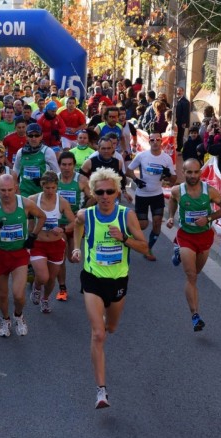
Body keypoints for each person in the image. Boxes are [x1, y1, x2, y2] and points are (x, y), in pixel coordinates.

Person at [71, 167, 148, 408]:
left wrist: (123, 238)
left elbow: (145, 248)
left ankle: (104, 323)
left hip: (118, 280)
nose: (105, 196)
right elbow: (76, 226)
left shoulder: (127, 216)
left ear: (117, 192)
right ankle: (101, 391)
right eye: (100, 191)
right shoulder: (86, 215)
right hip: (93, 279)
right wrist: (76, 248)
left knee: (111, 328)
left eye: (110, 191)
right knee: (99, 334)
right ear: (93, 192)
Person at [166, 158, 221, 331]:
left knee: (197, 272)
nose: (193, 175)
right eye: (189, 172)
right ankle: (195, 315)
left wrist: (208, 218)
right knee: (191, 276)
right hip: (186, 236)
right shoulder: (178, 190)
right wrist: (171, 216)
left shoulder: (210, 191)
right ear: (183, 172)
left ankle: (178, 253)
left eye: (196, 172)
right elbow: (172, 199)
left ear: (200, 173)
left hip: (205, 237)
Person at [0, 174, 46, 337]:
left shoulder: (24, 203)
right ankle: (5, 319)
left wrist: (33, 235)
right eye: (3, 190)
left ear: (15, 188)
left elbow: (42, 216)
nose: (7, 193)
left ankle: (19, 315)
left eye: (10, 190)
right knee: (2, 294)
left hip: (19, 254)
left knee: (18, 295)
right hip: (0, 253)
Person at [28, 171, 75, 313]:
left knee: (51, 278)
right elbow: (29, 221)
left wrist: (63, 229)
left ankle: (46, 298)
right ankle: (36, 288)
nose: (50, 191)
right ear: (42, 186)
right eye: (47, 188)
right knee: (43, 276)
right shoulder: (33, 200)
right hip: (39, 244)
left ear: (57, 187)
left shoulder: (62, 202)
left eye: (53, 188)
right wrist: (31, 236)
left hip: (56, 244)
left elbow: (74, 222)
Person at [126, 132, 177, 261]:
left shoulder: (166, 159)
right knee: (142, 225)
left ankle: (148, 249)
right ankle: (124, 234)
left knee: (157, 223)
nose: (155, 142)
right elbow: (129, 170)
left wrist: (168, 174)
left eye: (157, 139)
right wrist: (136, 181)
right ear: (149, 142)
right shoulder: (142, 156)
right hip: (142, 195)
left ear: (161, 142)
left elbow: (173, 181)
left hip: (157, 195)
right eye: (152, 140)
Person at [55, 151, 91, 301]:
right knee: (61, 258)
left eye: (70, 164)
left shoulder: (81, 180)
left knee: (73, 258)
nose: (67, 168)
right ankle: (62, 288)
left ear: (74, 165)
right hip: (60, 224)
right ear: (59, 165)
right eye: (64, 164)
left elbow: (93, 197)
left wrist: (82, 212)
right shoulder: (54, 179)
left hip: (76, 224)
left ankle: (87, 279)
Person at [13, 123, 60, 198]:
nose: (33, 138)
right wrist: (16, 187)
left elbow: (57, 173)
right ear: (26, 137)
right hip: (24, 193)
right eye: (30, 136)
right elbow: (15, 170)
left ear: (41, 136)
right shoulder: (21, 152)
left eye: (37, 135)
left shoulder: (48, 152)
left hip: (42, 194)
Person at [175, 86, 191, 152]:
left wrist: (184, 123)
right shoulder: (176, 100)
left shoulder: (185, 102)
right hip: (176, 121)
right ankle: (178, 147)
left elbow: (186, 113)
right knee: (177, 135)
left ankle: (180, 149)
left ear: (183, 92)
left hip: (181, 122)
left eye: (180, 90)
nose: (178, 92)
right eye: (177, 90)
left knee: (180, 136)